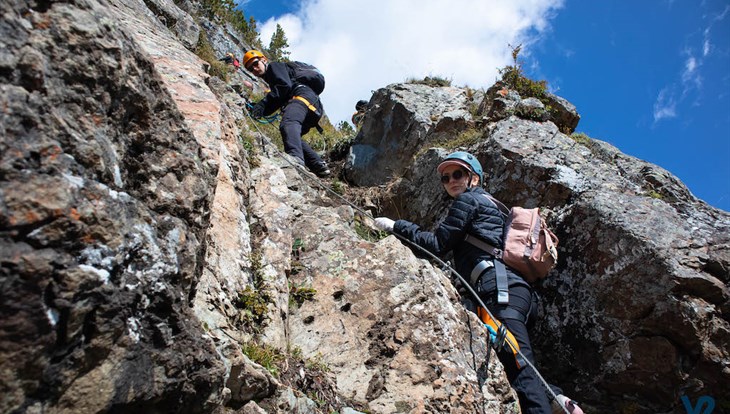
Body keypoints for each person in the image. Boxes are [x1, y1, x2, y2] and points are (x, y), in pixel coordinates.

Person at [373, 151, 583, 414]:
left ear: (474, 178)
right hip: (515, 295)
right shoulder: (494, 206)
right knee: (514, 359)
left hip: (499, 292)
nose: (451, 181)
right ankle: (557, 398)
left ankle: (546, 403)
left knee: (518, 367)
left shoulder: (469, 201)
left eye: (458, 174)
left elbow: (438, 244)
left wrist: (397, 226)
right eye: (445, 178)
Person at [242, 50, 331, 177]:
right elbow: (278, 97)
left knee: (288, 124)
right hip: (312, 106)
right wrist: (259, 109)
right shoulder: (274, 80)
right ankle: (318, 165)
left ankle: (295, 160)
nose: (255, 69)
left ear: (264, 60)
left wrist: (262, 104)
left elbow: (284, 86)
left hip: (302, 97)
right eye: (251, 69)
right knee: (291, 135)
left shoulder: (274, 67)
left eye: (256, 63)